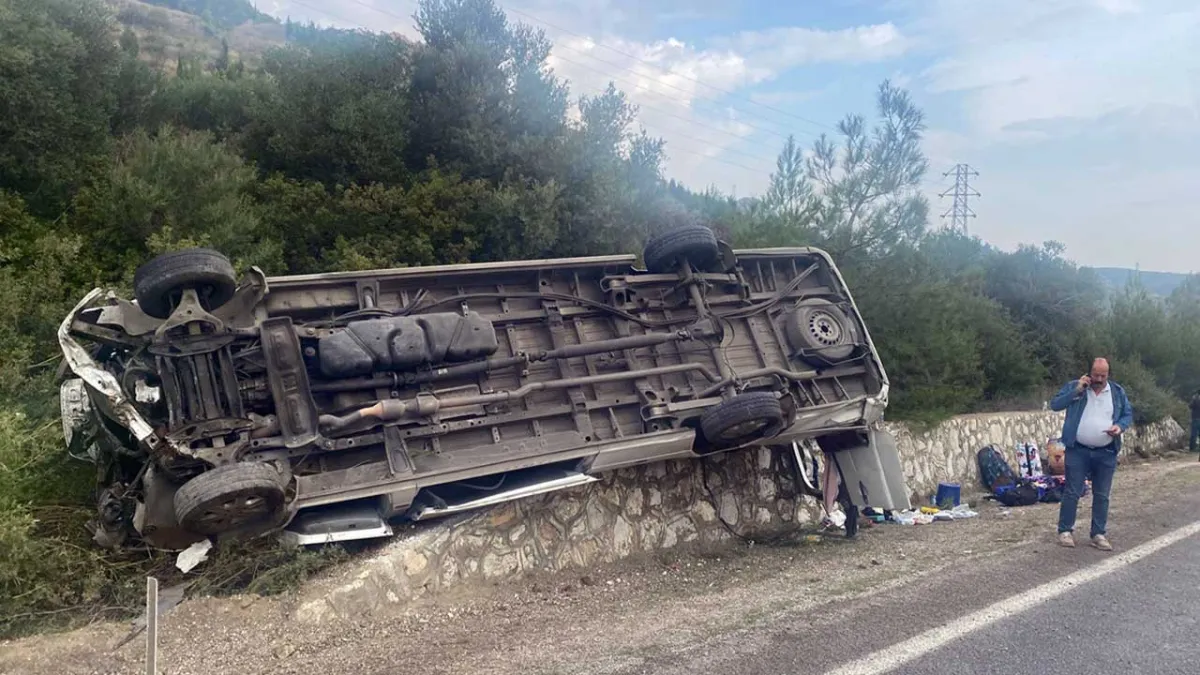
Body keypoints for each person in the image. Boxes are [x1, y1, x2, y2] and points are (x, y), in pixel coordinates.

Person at [1048, 358, 1133, 551]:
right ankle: (1065, 531)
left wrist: (1119, 427)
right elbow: (1055, 404)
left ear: (1108, 375)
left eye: (1103, 375)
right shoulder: (1076, 387)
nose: (1099, 379)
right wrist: (1076, 389)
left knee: (1102, 494)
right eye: (1096, 375)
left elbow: (1127, 415)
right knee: (1072, 491)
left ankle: (1098, 534)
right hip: (1078, 449)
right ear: (1090, 373)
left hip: (1106, 451)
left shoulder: (1117, 392)